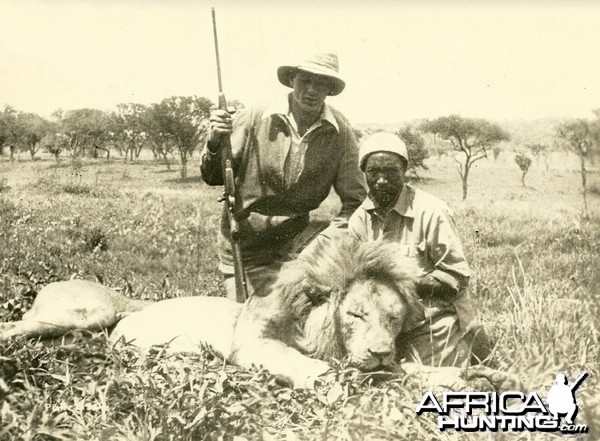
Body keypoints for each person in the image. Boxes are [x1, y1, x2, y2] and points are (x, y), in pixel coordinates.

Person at [201, 52, 367, 301]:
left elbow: (356, 201)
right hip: (243, 242)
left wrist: (324, 242)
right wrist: (214, 140)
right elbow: (213, 176)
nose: (311, 90)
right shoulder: (257, 115)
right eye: (304, 80)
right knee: (242, 322)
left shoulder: (340, 132)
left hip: (298, 249)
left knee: (294, 325)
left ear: (330, 89)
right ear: (291, 80)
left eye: (321, 83)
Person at [348, 132, 492, 367]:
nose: (382, 180)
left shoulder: (432, 211)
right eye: (374, 172)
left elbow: (455, 279)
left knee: (416, 375)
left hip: (433, 317)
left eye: (391, 171)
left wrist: (401, 281)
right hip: (385, 320)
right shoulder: (359, 220)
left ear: (404, 171)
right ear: (364, 173)